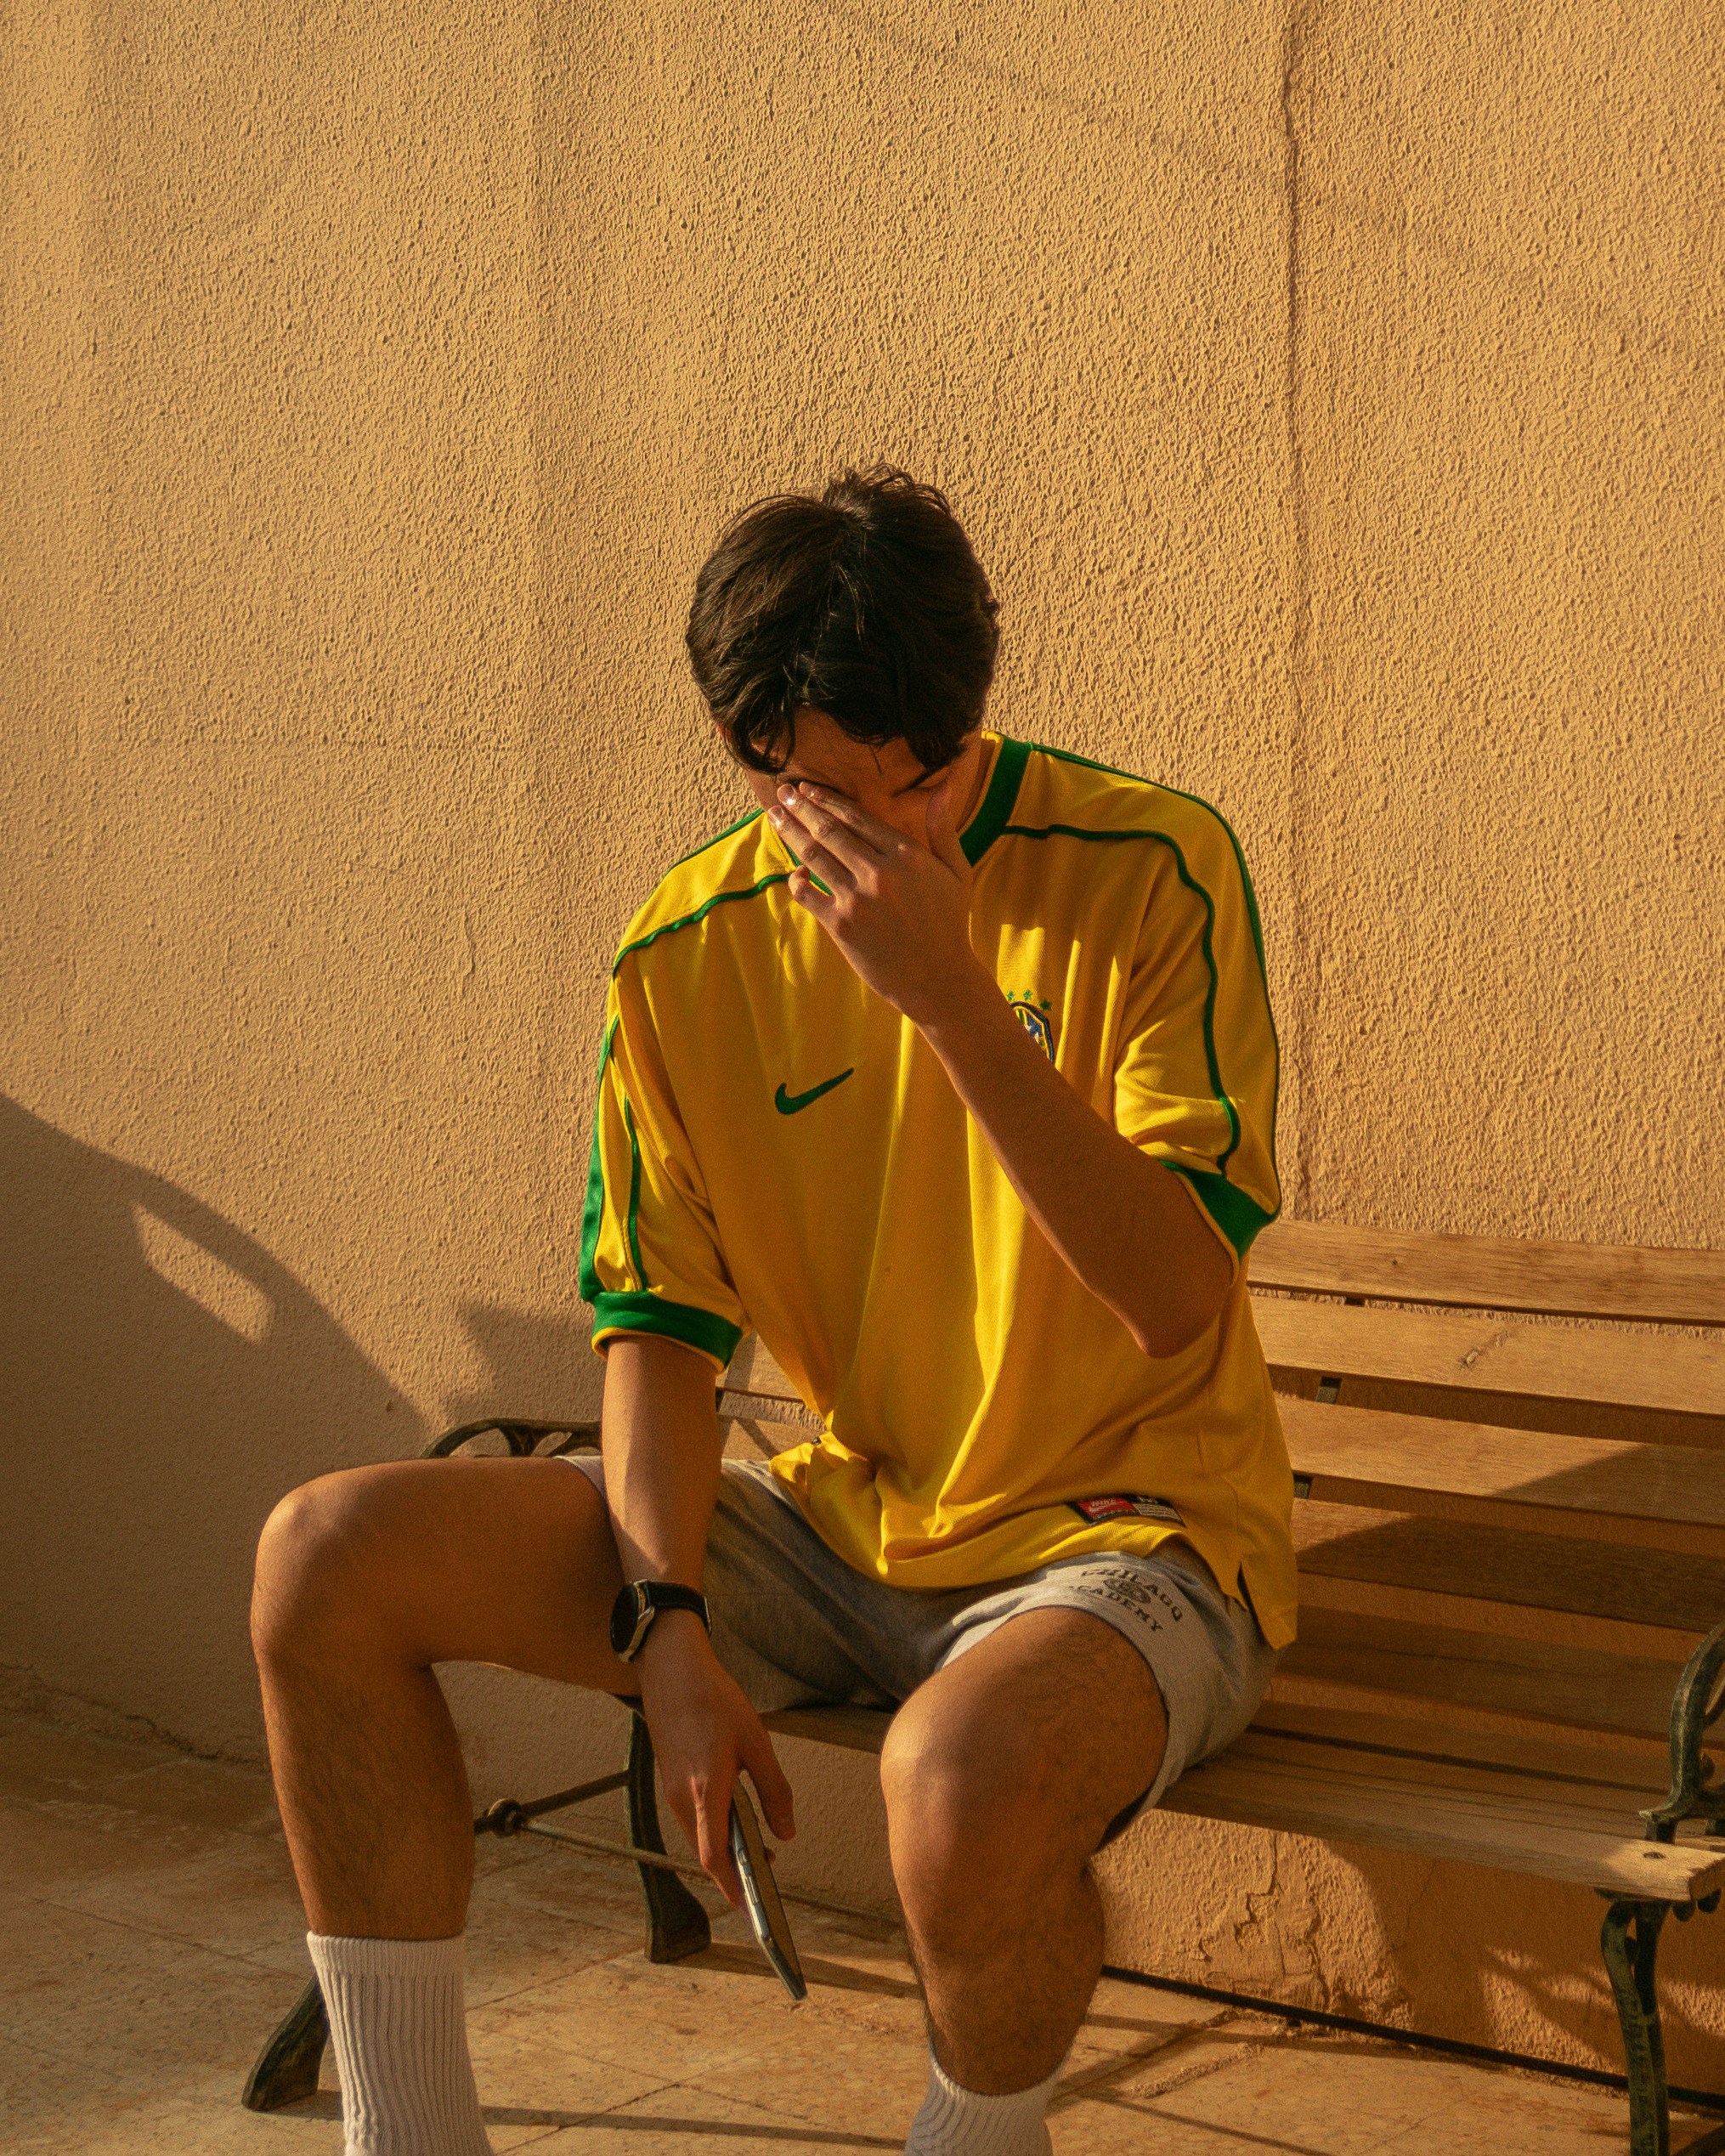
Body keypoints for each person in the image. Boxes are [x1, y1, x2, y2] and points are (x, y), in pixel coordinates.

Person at [251, 465, 1296, 2156]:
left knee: (954, 1787)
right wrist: (665, 1622)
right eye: (824, 802)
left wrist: (954, 1000)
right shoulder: (686, 947)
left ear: (969, 726)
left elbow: (1177, 1299)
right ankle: (410, 2137)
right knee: (327, 1554)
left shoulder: (1150, 866)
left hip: (1137, 1539)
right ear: (753, 757)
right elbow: (659, 1331)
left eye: (922, 789)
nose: (881, 845)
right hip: (838, 1532)